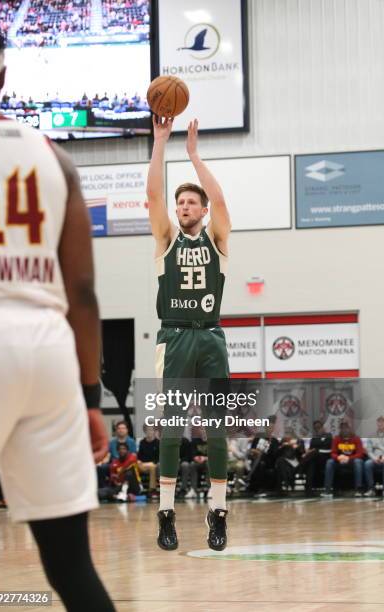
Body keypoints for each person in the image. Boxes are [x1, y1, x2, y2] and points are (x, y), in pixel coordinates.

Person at [0, 19, 115, 611]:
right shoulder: (56, 159)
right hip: (49, 350)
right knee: (70, 566)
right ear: (5, 75)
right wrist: (89, 398)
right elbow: (82, 290)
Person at [147, 115, 231, 551]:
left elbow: (219, 198)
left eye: (189, 203)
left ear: (201, 211)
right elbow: (152, 194)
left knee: (217, 429)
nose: (182, 207)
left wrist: (195, 156)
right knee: (173, 430)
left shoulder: (217, 239)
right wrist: (161, 140)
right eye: (179, 202)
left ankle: (218, 513)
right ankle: (166, 515)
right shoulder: (166, 239)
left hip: (211, 336)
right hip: (175, 337)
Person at [322, 421, 364, 497]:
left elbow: (360, 453)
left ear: (350, 429)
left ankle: (358, 489)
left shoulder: (356, 438)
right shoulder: (337, 438)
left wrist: (349, 458)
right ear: (340, 429)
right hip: (340, 461)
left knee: (358, 462)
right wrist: (338, 457)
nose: (344, 429)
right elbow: (333, 453)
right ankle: (327, 491)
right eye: (342, 428)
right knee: (329, 462)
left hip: (352, 461)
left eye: (346, 427)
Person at [302, 420, 332, 495]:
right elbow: (311, 449)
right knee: (311, 464)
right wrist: (310, 451)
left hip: (325, 458)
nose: (317, 429)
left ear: (323, 427)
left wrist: (316, 450)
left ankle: (301, 466)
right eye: (316, 428)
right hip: (315, 459)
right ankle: (308, 489)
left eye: (319, 427)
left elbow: (328, 448)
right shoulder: (314, 438)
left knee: (313, 454)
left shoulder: (328, 436)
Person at [364, 416, 384, 498]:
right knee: (367, 464)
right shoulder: (371, 435)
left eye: (382, 422)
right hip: (375, 458)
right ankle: (371, 489)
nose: (380, 424)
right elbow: (369, 451)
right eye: (379, 422)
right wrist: (374, 458)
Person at [137, 425, 160, 497]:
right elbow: (139, 456)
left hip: (153, 464)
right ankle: (136, 489)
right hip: (143, 465)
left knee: (152, 467)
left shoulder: (158, 442)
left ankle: (152, 489)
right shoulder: (142, 442)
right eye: (148, 430)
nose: (149, 432)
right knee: (133, 465)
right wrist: (139, 461)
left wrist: (153, 462)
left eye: (151, 430)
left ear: (155, 431)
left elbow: (159, 458)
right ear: (145, 431)